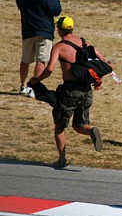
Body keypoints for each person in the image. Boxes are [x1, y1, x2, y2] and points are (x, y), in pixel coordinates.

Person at [28, 16, 108, 169]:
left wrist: (36, 80)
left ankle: (61, 159)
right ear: (71, 28)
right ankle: (91, 131)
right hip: (86, 90)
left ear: (59, 30)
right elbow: (102, 61)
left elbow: (50, 69)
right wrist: (98, 80)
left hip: (69, 91)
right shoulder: (84, 42)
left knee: (60, 126)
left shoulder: (59, 47)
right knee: (80, 125)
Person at [15, 0, 62, 98]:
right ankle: (34, 87)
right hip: (44, 31)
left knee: (25, 60)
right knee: (41, 60)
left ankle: (23, 85)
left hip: (28, 29)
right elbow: (56, 10)